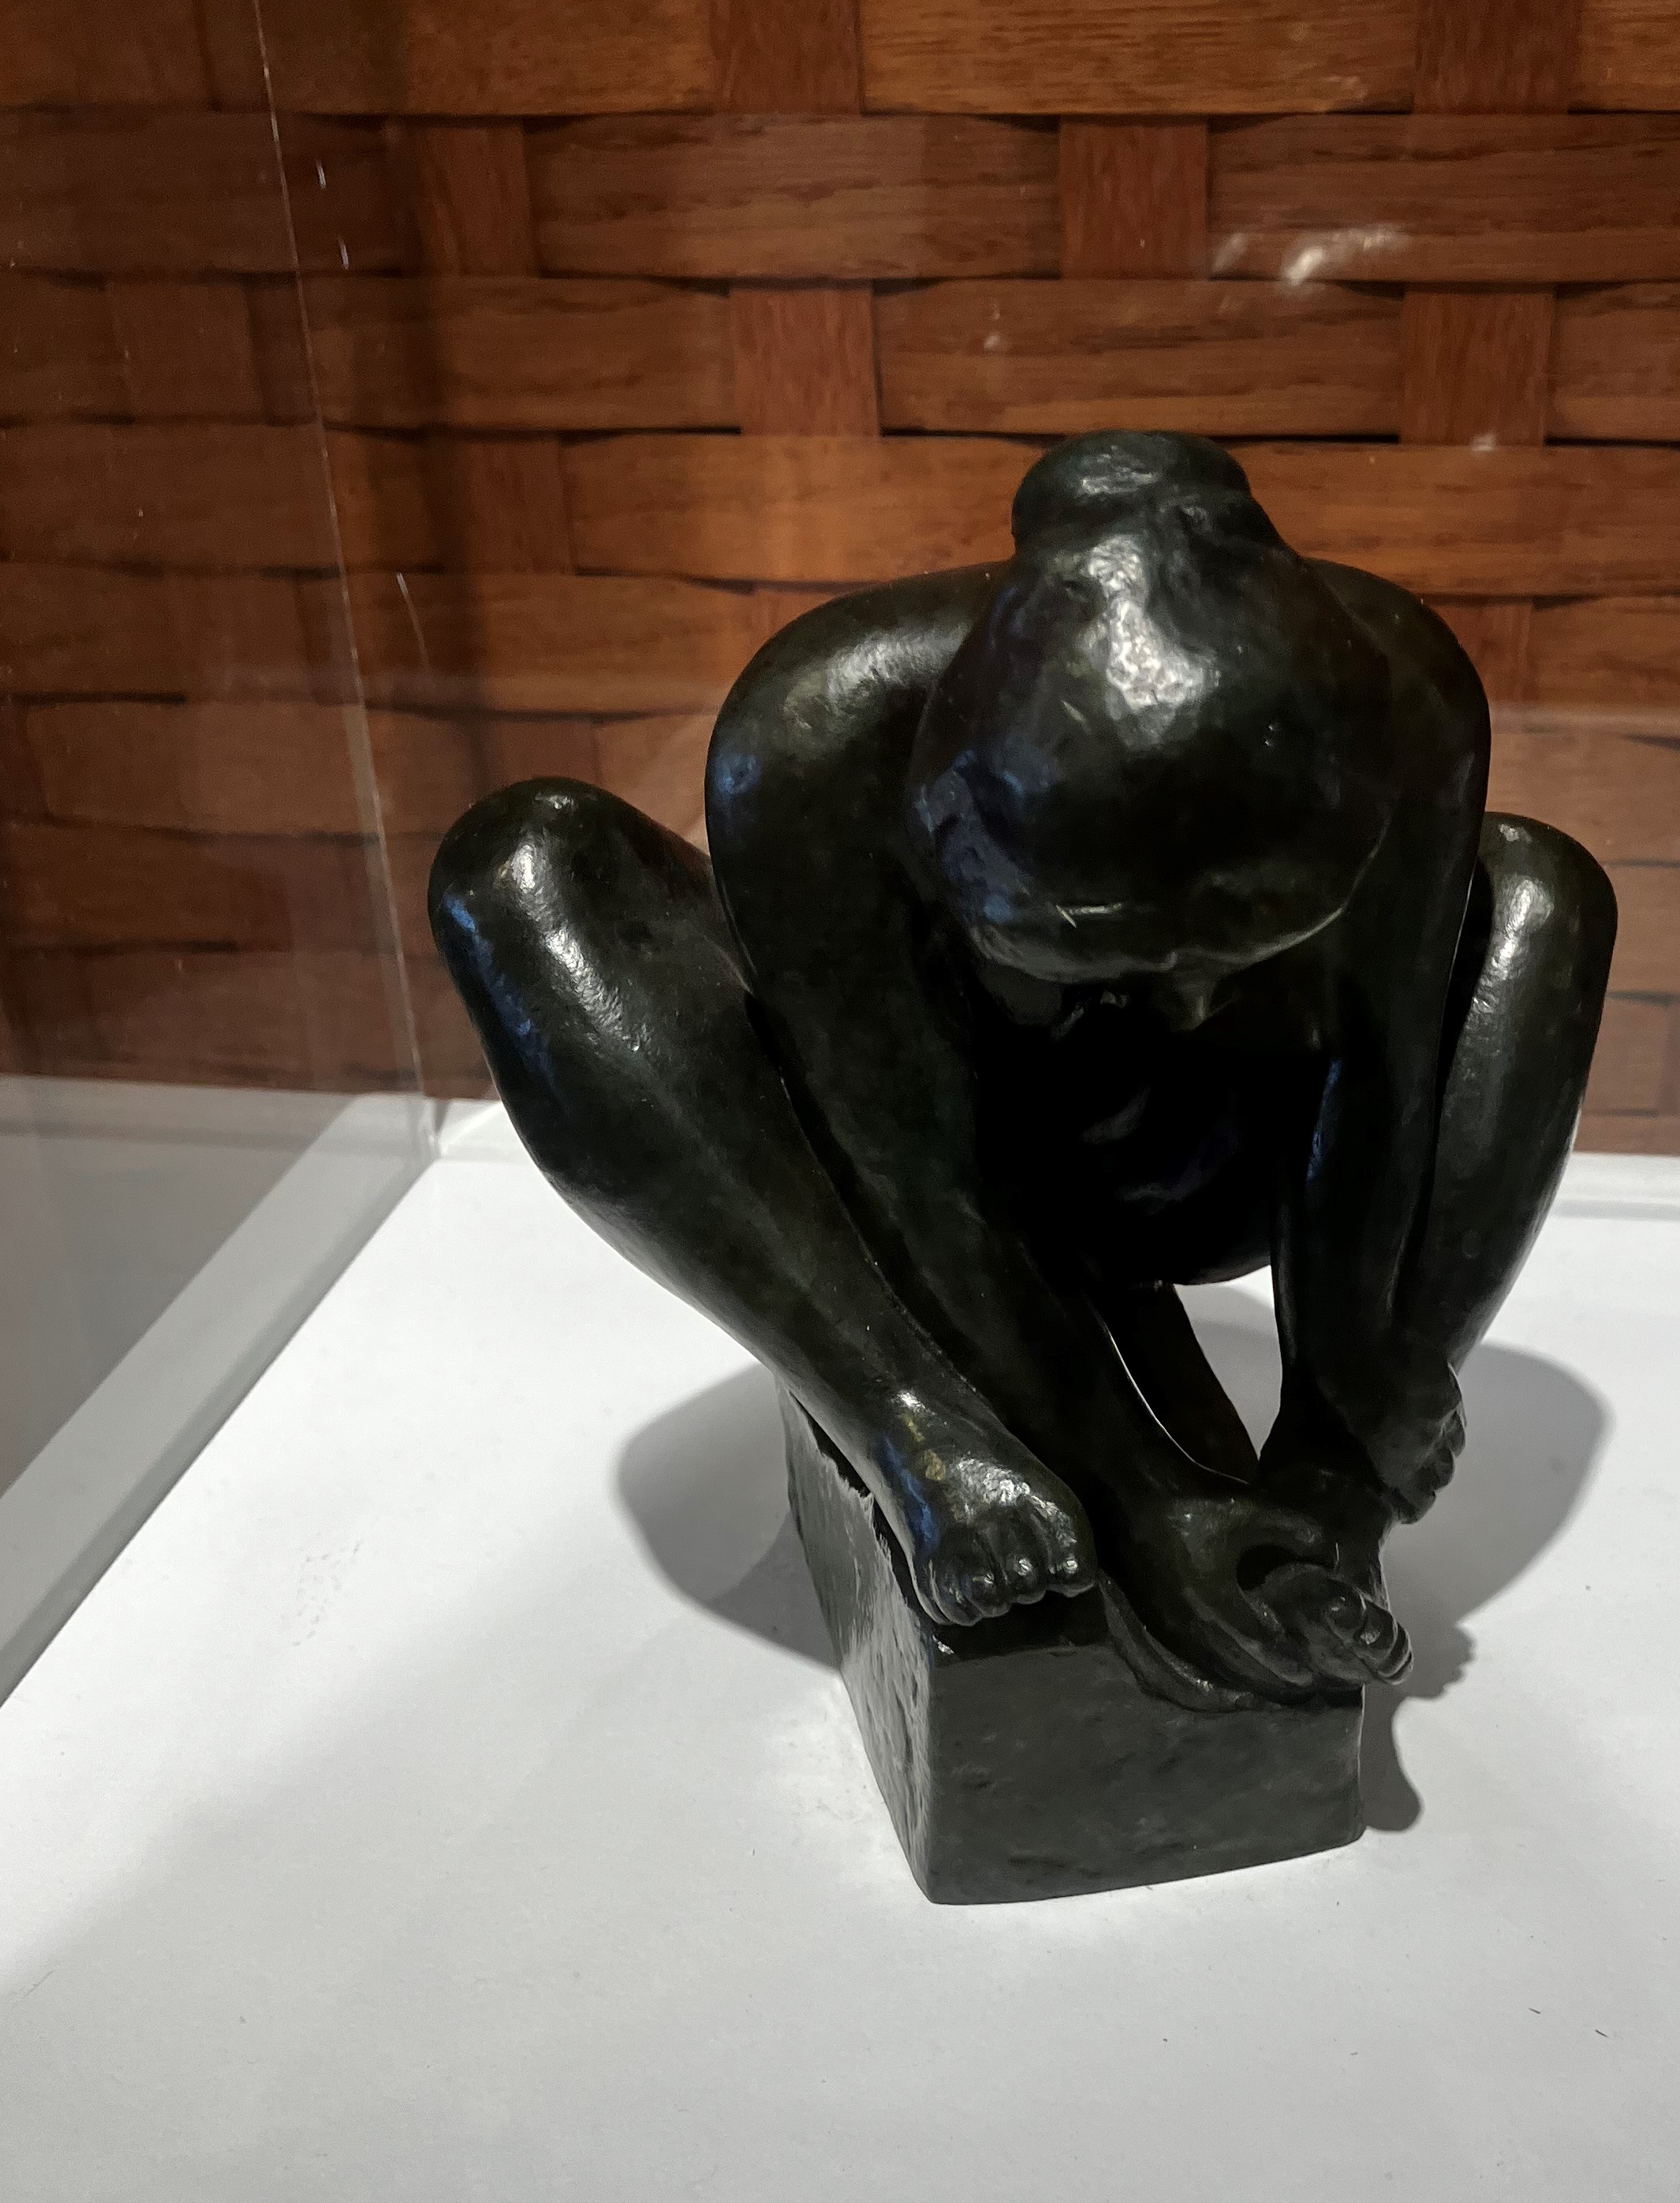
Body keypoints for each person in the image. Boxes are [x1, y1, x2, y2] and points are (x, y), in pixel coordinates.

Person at [431, 431, 1615, 1710]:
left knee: (1542, 893)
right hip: (958, 1148)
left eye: (1248, 948)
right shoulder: (815, 736)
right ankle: (920, 1429)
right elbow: (907, 1165)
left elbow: (1375, 1067)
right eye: (1108, 957)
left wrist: (1348, 1362)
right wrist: (1137, 1491)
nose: (1190, 1002)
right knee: (521, 870)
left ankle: (1328, 1496)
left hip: (1208, 1161)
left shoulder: (1399, 687)